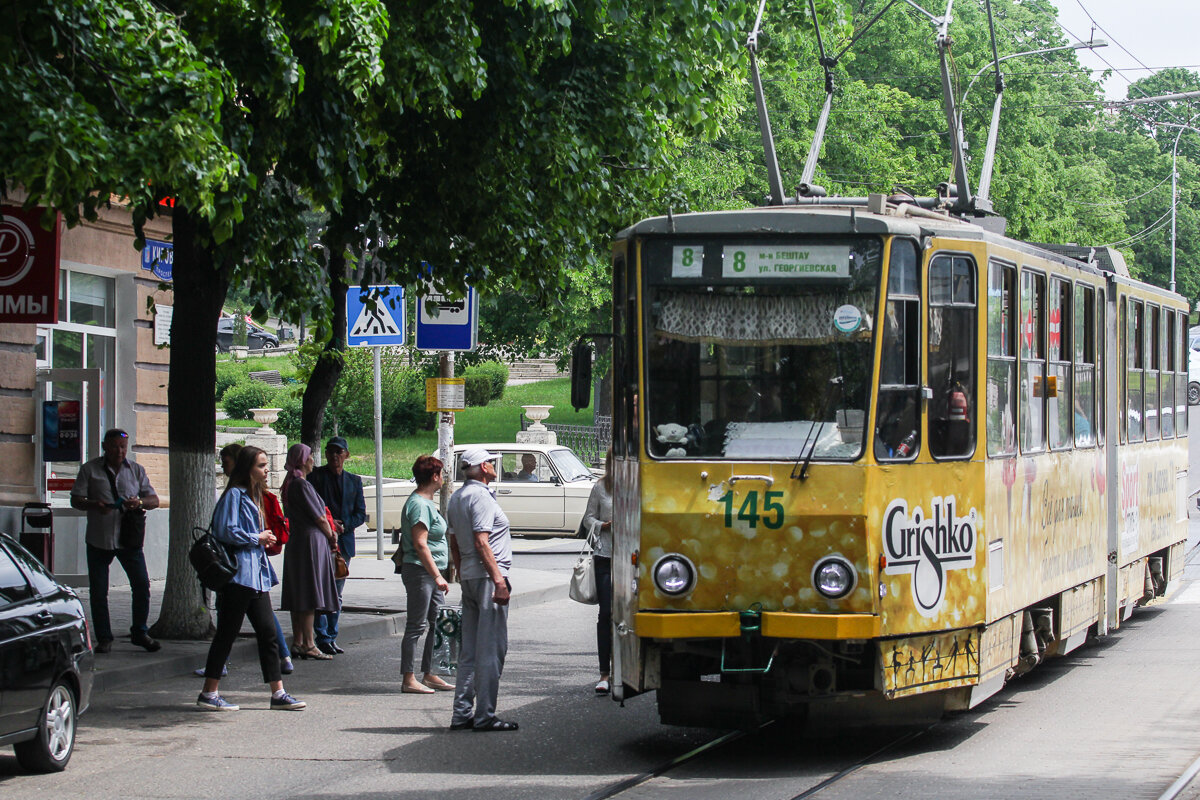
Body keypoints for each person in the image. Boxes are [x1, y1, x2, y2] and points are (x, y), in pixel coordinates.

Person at [197, 446, 305, 712]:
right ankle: (209, 693)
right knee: (226, 634)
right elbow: (226, 530)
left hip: (256, 576)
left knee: (268, 634)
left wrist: (261, 537)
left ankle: (277, 693)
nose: (267, 470)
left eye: (267, 464)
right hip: (238, 576)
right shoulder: (234, 495)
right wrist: (256, 537)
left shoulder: (254, 495)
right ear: (248, 469)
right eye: (261, 465)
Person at [71, 428, 161, 654]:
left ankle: (140, 632)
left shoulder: (136, 470)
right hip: (98, 539)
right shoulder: (89, 469)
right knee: (99, 592)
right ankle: (104, 638)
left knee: (141, 585)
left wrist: (138, 503)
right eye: (114, 447)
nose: (119, 451)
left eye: (123, 447)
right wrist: (94, 504)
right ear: (104, 446)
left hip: (128, 540)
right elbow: (76, 499)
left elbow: (153, 500)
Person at [447, 446, 517, 732]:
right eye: (490, 462)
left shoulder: (457, 497)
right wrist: (498, 580)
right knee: (491, 650)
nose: (493, 466)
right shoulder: (481, 498)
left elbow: (454, 541)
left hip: (471, 578)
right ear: (481, 467)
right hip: (489, 578)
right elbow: (481, 541)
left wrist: (462, 572)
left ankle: (461, 712)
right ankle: (485, 715)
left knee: (470, 652)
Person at [398, 455, 454, 694]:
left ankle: (429, 673)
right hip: (420, 572)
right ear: (434, 476)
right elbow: (421, 545)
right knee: (416, 626)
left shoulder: (427, 502)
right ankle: (408, 678)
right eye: (441, 474)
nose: (443, 479)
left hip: (429, 572)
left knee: (437, 623)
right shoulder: (419, 504)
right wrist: (437, 576)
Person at [280, 443, 340, 661]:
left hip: (298, 541)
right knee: (309, 593)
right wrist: (331, 534)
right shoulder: (301, 485)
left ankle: (298, 641)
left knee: (299, 592)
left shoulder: (290, 484)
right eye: (310, 456)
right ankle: (309, 643)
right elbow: (319, 517)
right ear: (302, 460)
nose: (313, 460)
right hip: (311, 542)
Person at [308, 436, 366, 655]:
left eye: (339, 452)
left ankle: (331, 635)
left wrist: (344, 526)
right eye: (330, 451)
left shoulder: (354, 481)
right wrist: (330, 524)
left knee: (337, 591)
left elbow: (361, 513)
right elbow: (313, 507)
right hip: (321, 541)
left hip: (343, 542)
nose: (334, 456)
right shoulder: (315, 477)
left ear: (346, 455)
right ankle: (322, 636)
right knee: (321, 590)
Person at [582, 451, 614, 695]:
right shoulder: (601, 487)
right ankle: (605, 673)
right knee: (607, 613)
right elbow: (588, 518)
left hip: (635, 556)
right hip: (606, 555)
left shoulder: (640, 483)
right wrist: (603, 525)